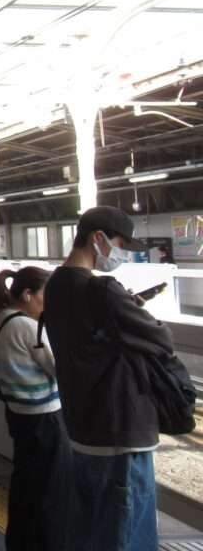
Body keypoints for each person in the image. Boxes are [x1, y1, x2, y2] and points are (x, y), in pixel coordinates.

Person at [44, 206, 174, 550]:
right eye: (120, 245)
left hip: (82, 428)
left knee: (89, 530)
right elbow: (161, 339)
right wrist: (128, 307)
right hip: (120, 430)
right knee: (124, 533)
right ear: (98, 239)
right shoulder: (102, 290)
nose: (121, 256)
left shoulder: (55, 285)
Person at [0, 267, 70, 550]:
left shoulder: (1, 317)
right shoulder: (26, 325)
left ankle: (21, 542)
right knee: (49, 491)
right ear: (27, 294)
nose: (47, 303)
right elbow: (58, 368)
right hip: (43, 418)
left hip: (20, 414)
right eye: (45, 296)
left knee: (27, 485)